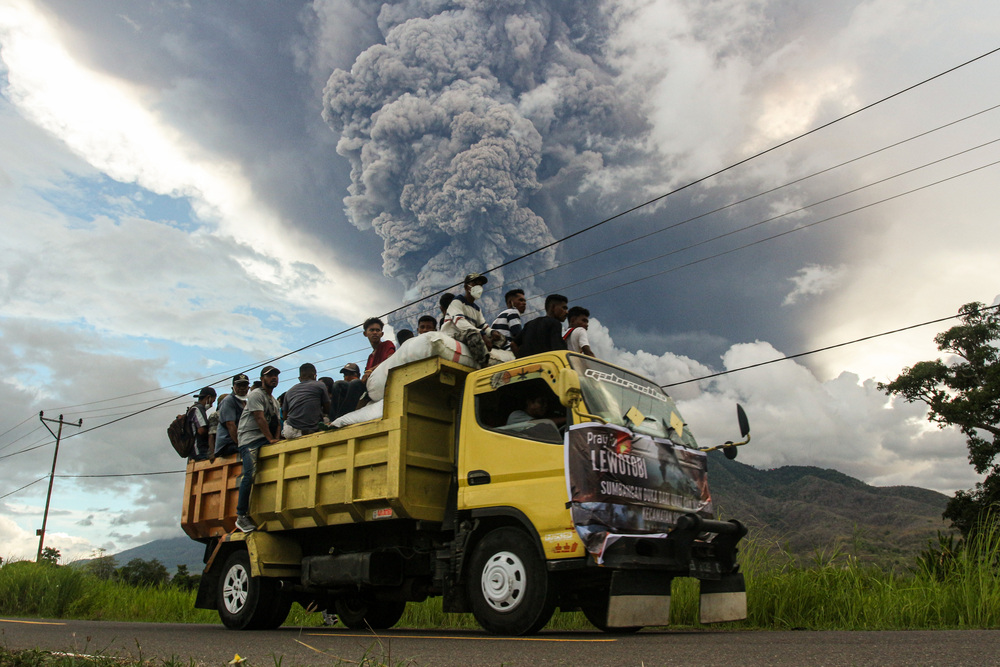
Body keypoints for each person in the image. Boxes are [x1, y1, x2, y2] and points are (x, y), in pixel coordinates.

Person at [235, 366, 282, 533]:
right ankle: (241, 515)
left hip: (264, 439)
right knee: (250, 472)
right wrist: (270, 439)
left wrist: (276, 439)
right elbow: (259, 418)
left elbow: (277, 422)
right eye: (270, 376)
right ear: (262, 378)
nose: (274, 378)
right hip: (250, 440)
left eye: (276, 375)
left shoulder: (274, 401)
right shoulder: (256, 395)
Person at [441, 273, 501, 367]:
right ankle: (484, 365)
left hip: (468, 334)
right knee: (474, 335)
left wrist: (492, 332)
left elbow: (484, 327)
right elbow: (460, 323)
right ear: (466, 287)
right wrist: (482, 335)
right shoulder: (457, 302)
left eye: (480, 285)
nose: (479, 287)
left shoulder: (477, 309)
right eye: (475, 284)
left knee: (499, 337)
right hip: (454, 335)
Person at [282, 363, 331, 439]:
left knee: (286, 423)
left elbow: (284, 416)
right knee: (327, 420)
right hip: (311, 429)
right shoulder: (320, 385)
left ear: (299, 378)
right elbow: (327, 409)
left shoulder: (289, 392)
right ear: (315, 376)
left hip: (291, 432)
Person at [514, 294, 569, 358]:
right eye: (564, 308)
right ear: (553, 307)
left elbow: (513, 344)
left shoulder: (529, 324)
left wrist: (520, 360)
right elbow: (559, 351)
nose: (567, 312)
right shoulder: (555, 323)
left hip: (527, 366)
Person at [214, 374, 250, 458]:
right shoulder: (229, 401)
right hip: (227, 444)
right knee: (250, 450)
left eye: (244, 385)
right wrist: (241, 445)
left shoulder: (246, 402)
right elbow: (230, 425)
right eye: (239, 385)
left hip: (240, 440)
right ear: (233, 387)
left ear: (248, 387)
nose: (242, 388)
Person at [361, 317, 395, 384]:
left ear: (382, 334)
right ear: (365, 333)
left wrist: (371, 370)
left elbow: (391, 360)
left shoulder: (387, 345)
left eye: (378, 330)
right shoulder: (370, 357)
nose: (375, 332)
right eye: (372, 330)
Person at [189, 387, 217, 461]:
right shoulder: (198, 409)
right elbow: (201, 430)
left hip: (195, 451)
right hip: (199, 451)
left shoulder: (194, 409)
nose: (211, 405)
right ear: (208, 397)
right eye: (212, 401)